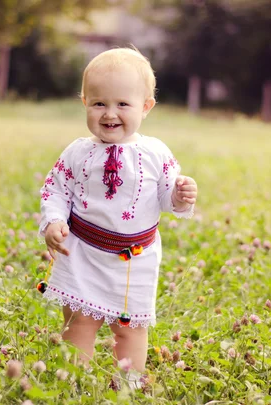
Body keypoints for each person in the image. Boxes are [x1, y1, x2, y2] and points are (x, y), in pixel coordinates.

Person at [38, 46, 198, 383]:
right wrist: (54, 220)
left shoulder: (155, 153)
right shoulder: (78, 152)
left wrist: (180, 196)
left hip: (134, 261)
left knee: (130, 329)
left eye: (122, 104)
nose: (110, 113)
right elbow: (56, 189)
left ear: (146, 107)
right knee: (79, 323)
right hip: (82, 252)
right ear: (85, 103)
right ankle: (73, 382)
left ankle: (127, 386)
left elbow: (167, 199)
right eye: (99, 103)